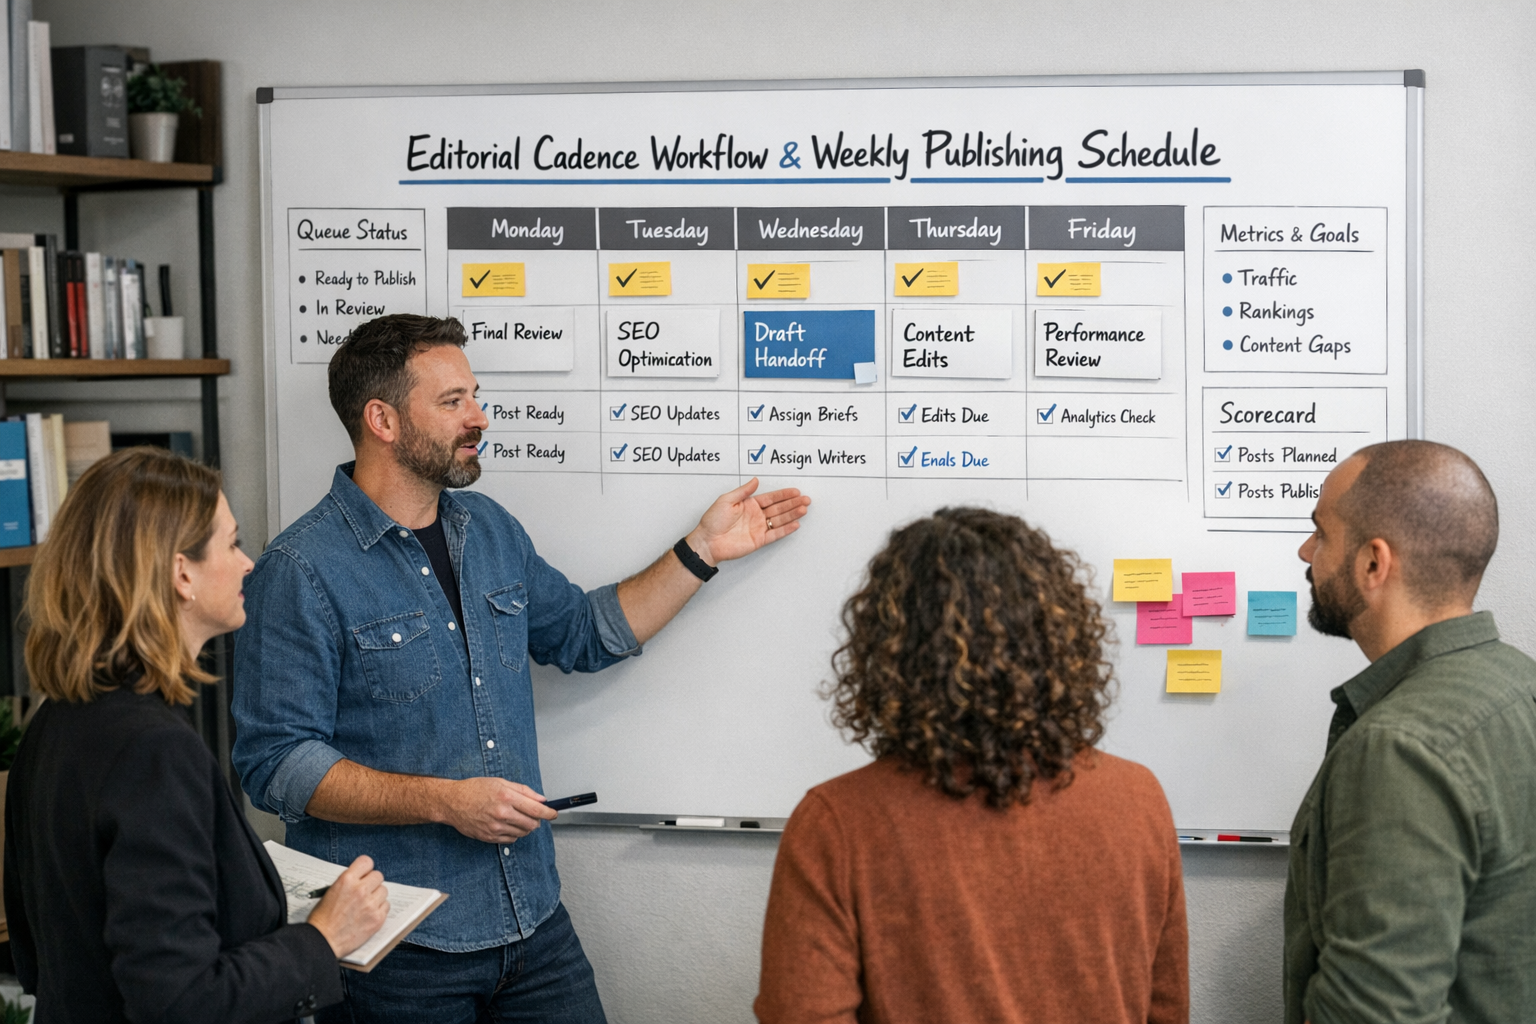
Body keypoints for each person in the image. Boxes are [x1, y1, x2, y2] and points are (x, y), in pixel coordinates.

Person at [232, 313, 811, 1023]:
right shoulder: (299, 570)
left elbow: (585, 634)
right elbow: (276, 765)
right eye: (452, 402)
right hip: (398, 949)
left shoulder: (489, 529)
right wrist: (445, 801)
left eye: (474, 396)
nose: (478, 417)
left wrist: (703, 551)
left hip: (530, 922)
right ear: (381, 419)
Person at [755, 507, 1188, 1024]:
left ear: (890, 649)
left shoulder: (837, 824)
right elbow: (1167, 1009)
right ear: (1059, 636)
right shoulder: (1137, 799)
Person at [3, 448, 391, 1024]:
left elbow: (37, 956)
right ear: (181, 573)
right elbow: (181, 1002)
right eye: (232, 545)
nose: (248, 565)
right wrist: (323, 938)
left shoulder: (55, 719)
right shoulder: (151, 750)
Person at [1288, 440, 1536, 1024]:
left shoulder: (1399, 746)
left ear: (1374, 563)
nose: (1305, 551)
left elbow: (1376, 1013)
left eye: (1321, 533)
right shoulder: (1519, 682)